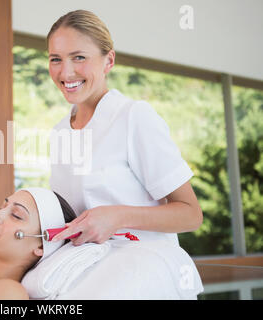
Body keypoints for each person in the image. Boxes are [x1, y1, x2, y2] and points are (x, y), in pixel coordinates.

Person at [46, 10, 203, 246]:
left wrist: (117, 216)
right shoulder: (60, 132)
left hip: (144, 271)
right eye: (55, 59)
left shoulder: (133, 117)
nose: (65, 72)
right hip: (87, 272)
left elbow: (191, 214)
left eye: (79, 57)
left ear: (108, 61)